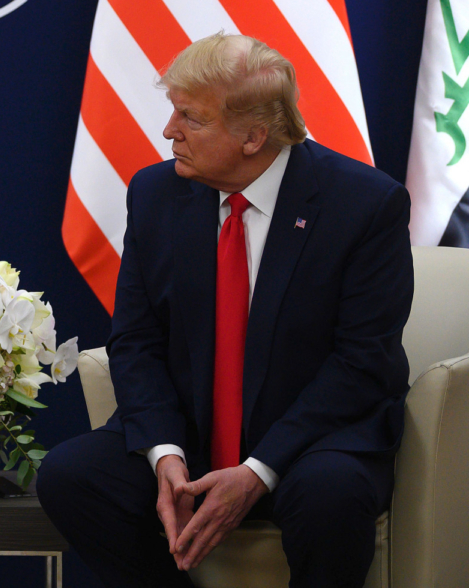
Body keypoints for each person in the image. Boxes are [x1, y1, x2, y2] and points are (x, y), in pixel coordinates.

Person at [37, 33, 411, 588]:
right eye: (173, 111)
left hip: (310, 442)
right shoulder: (155, 194)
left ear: (255, 136)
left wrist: (258, 471)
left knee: (331, 494)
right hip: (190, 435)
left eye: (191, 117)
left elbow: (362, 363)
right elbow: (136, 342)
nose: (169, 131)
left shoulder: (364, 204)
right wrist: (165, 456)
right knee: (71, 476)